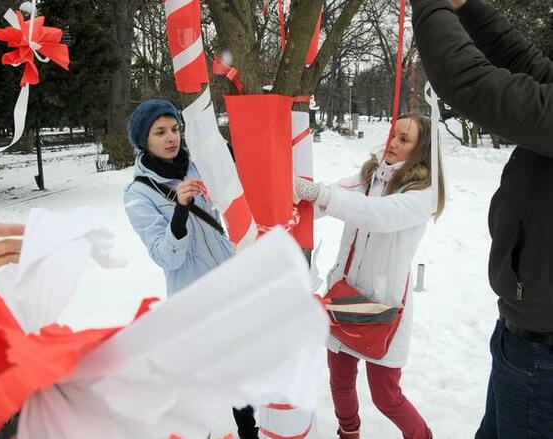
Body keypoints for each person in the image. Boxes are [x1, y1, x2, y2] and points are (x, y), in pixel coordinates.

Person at [411, 1, 553, 437]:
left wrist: (429, 4)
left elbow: (471, 82)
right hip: (525, 338)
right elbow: (526, 64)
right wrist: (467, 7)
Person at [294, 114, 445, 439]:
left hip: (382, 306)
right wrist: (296, 198)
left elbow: (379, 216)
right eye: (394, 134)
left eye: (404, 140)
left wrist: (319, 195)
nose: (393, 142)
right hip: (344, 295)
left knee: (386, 396)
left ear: (420, 151)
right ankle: (348, 432)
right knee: (340, 380)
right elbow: (334, 196)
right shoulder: (370, 176)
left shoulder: (422, 193)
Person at [123, 99, 258, 438]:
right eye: (159, 132)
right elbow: (166, 257)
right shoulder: (138, 194)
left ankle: (248, 432)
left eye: (174, 129)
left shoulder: (196, 166)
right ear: (144, 141)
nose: (171, 138)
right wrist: (181, 211)